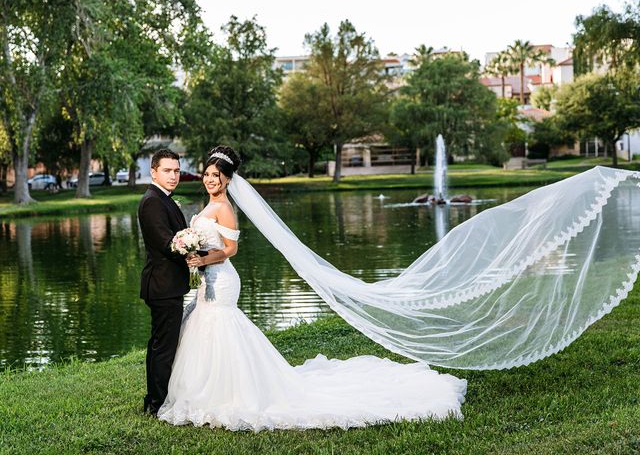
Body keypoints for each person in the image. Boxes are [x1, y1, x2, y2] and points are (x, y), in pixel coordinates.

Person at [157, 146, 467, 431]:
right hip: (208, 280)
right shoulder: (209, 204)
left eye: (217, 176)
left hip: (221, 280)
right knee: (204, 327)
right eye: (208, 175)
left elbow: (230, 249)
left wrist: (201, 258)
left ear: (227, 180)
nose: (211, 180)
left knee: (220, 327)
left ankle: (230, 393)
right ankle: (208, 390)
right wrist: (192, 254)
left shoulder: (224, 207)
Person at [137, 149, 191, 416]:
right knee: (163, 347)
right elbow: (167, 244)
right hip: (162, 285)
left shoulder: (164, 199)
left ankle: (154, 399)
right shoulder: (152, 202)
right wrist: (194, 248)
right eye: (168, 171)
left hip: (167, 285)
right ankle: (157, 403)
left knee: (161, 343)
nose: (173, 176)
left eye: (177, 170)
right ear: (154, 172)